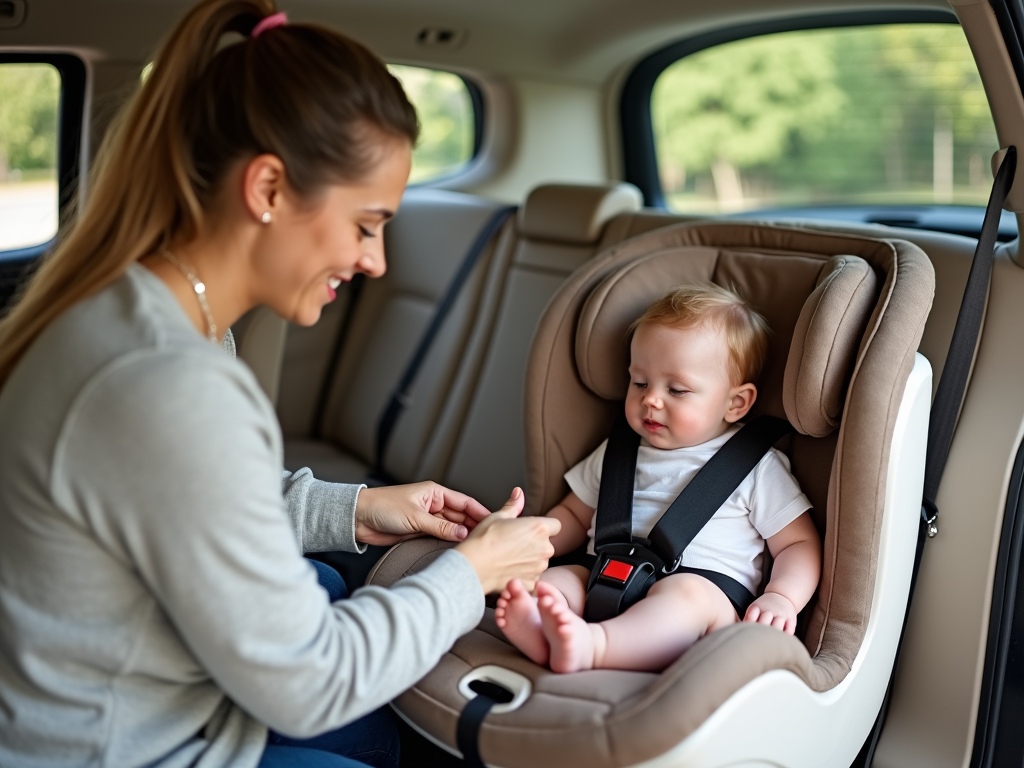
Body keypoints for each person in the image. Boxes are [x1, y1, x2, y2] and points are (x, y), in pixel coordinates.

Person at [0, 2, 560, 767]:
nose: (377, 262)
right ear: (267, 188)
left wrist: (359, 508)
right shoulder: (170, 384)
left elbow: (194, 502)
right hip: (119, 745)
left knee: (334, 591)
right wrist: (475, 573)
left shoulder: (145, 315)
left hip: (132, 693)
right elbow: (310, 682)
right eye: (365, 224)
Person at [494, 284, 821, 674]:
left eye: (677, 389)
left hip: (703, 602)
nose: (651, 399)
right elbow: (576, 515)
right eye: (640, 383)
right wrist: (529, 543)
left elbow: (798, 543)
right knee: (558, 581)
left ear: (736, 403)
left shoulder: (758, 468)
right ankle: (538, 627)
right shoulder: (617, 452)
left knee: (686, 597)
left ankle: (594, 647)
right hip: (604, 574)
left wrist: (782, 597)